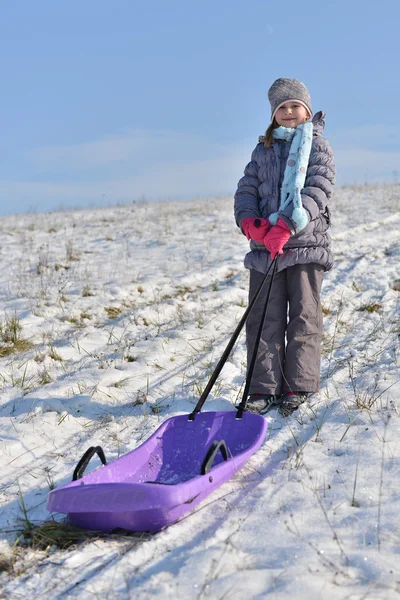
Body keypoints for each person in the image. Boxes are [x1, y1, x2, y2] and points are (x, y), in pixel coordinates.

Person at [234, 78, 335, 417]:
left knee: (304, 316)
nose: (289, 112)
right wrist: (252, 223)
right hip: (266, 252)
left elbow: (318, 189)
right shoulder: (262, 150)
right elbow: (246, 190)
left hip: (305, 246)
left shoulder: (318, 146)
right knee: (264, 318)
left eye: (295, 106)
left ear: (306, 109)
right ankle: (263, 387)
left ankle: (299, 384)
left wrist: (288, 223)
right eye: (282, 108)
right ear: (273, 114)